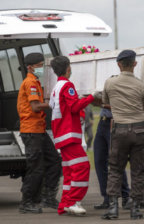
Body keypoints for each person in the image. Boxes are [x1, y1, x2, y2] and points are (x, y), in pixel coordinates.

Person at [102, 50, 144, 220]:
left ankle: (114, 208)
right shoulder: (142, 86)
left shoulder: (110, 83)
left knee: (115, 168)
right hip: (139, 131)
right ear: (135, 64)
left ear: (118, 64)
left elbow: (105, 101)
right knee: (139, 170)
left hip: (120, 130)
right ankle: (135, 208)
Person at [49, 56, 101, 215]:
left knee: (70, 171)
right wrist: (92, 97)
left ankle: (64, 204)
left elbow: (57, 107)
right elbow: (74, 106)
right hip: (69, 134)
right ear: (68, 68)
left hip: (60, 135)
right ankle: (72, 202)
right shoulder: (67, 85)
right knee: (82, 166)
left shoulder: (55, 87)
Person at [17, 53, 61, 214]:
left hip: (38, 130)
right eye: (40, 65)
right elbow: (35, 107)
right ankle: (26, 202)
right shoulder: (30, 83)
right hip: (31, 131)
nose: (42, 68)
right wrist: (52, 103)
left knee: (55, 161)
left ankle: (48, 197)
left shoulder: (35, 81)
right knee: (36, 167)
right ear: (30, 67)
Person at [93, 107, 130, 210]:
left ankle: (125, 196)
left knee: (116, 160)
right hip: (103, 121)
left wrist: (102, 102)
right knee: (99, 161)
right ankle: (107, 198)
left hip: (116, 121)